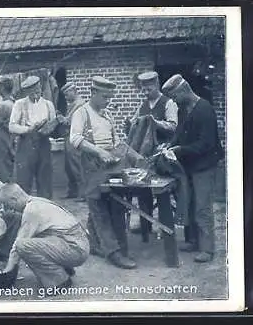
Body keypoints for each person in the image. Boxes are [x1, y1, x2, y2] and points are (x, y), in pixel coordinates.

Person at [69, 76, 138, 269]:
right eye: (105, 96)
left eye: (110, 97)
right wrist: (99, 151)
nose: (108, 101)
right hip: (92, 165)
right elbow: (74, 139)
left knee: (113, 204)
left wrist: (117, 151)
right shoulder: (81, 113)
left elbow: (115, 140)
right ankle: (114, 252)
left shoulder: (107, 114)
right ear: (94, 93)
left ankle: (96, 244)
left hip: (110, 165)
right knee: (99, 208)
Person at [161, 74, 224, 263]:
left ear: (183, 91)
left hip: (205, 165)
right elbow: (179, 134)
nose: (174, 101)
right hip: (189, 164)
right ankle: (192, 240)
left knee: (202, 207)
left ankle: (207, 248)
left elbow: (206, 144)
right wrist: (169, 145)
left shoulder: (205, 109)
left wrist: (179, 150)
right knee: (189, 202)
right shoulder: (183, 109)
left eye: (174, 96)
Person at [0, 183, 89, 291]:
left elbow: (18, 243)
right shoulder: (36, 201)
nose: (8, 209)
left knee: (22, 245)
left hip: (75, 249)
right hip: (77, 244)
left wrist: (7, 270)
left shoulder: (31, 210)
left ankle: (58, 281)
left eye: (6, 204)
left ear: (14, 200)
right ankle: (65, 269)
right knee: (38, 235)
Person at [125, 71, 179, 238]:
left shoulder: (169, 103)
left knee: (162, 192)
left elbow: (173, 126)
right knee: (142, 191)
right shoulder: (142, 106)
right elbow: (135, 124)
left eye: (148, 90)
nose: (145, 93)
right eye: (143, 90)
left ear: (156, 85)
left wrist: (154, 123)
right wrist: (130, 124)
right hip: (145, 156)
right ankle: (145, 228)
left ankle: (166, 229)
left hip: (162, 155)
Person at [9, 75, 57, 198]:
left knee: (45, 180)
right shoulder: (20, 104)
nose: (35, 94)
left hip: (44, 144)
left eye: (37, 90)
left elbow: (53, 125)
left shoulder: (48, 104)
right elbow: (12, 126)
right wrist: (28, 129)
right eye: (32, 91)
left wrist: (50, 128)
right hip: (26, 144)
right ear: (27, 91)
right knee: (24, 181)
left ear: (40, 87)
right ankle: (24, 209)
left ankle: (45, 209)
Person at [60, 82, 87, 200]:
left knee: (77, 165)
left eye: (67, 95)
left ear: (74, 91)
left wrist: (61, 119)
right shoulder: (74, 104)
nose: (66, 98)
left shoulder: (79, 104)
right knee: (69, 166)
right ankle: (73, 191)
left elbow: (70, 121)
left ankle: (83, 193)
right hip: (69, 138)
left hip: (75, 138)